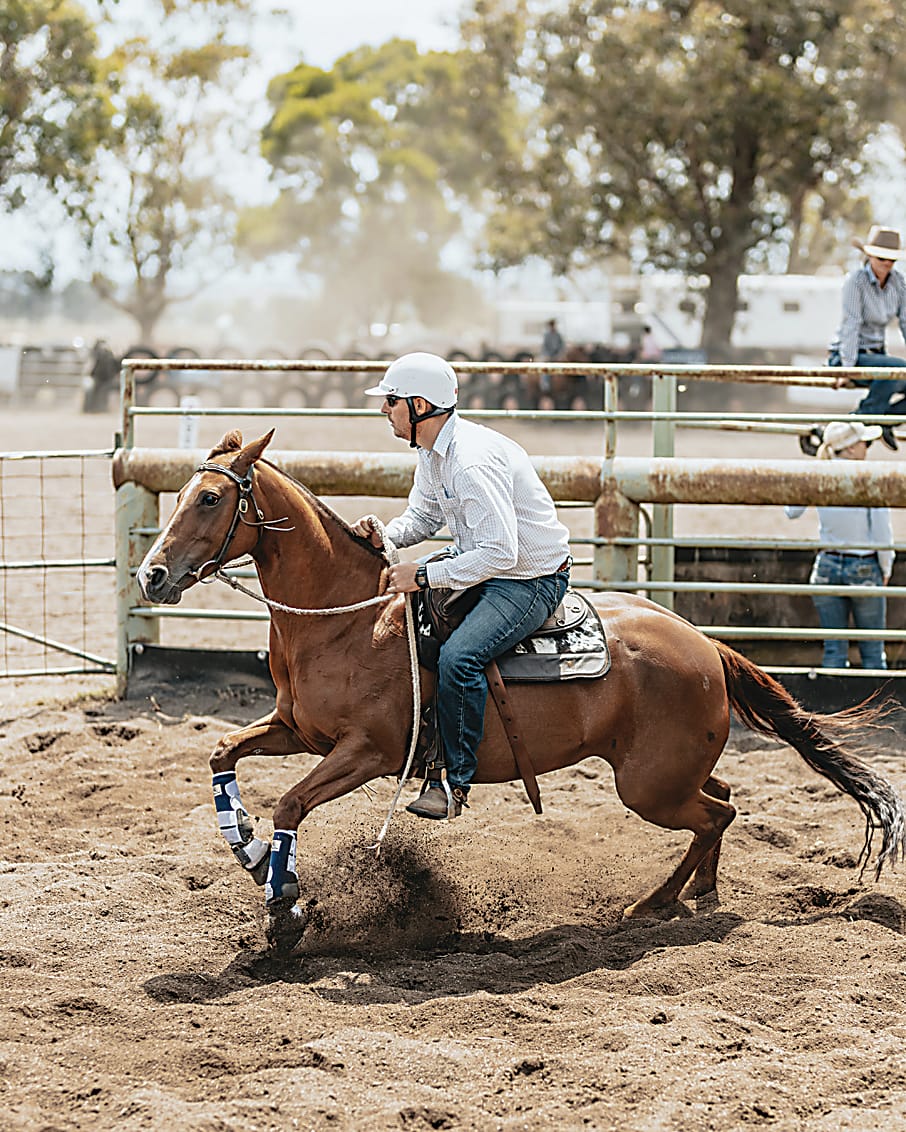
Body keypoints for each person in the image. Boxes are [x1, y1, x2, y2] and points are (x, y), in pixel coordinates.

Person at [352, 352, 572, 819]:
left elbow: (501, 552)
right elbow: (423, 516)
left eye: (390, 401)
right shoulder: (433, 452)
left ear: (418, 405)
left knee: (460, 657)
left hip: (528, 579)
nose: (384, 410)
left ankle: (454, 782)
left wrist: (423, 575)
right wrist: (386, 536)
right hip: (486, 562)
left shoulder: (470, 462)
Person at [785, 419, 894, 670]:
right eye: (865, 443)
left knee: (834, 650)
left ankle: (833, 692)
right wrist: (886, 567)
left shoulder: (820, 474)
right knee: (873, 651)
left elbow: (791, 511)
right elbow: (882, 532)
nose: (867, 448)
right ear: (852, 448)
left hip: (827, 564)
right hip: (864, 565)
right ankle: (876, 695)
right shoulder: (870, 477)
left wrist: (808, 473)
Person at [822, 224, 906, 453]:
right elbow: (851, 325)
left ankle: (879, 421)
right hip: (848, 355)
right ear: (869, 256)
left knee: (895, 371)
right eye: (881, 258)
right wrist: (846, 369)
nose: (887, 264)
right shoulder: (855, 282)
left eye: (892, 259)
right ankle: (859, 427)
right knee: (895, 370)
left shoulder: (899, 283)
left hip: (877, 356)